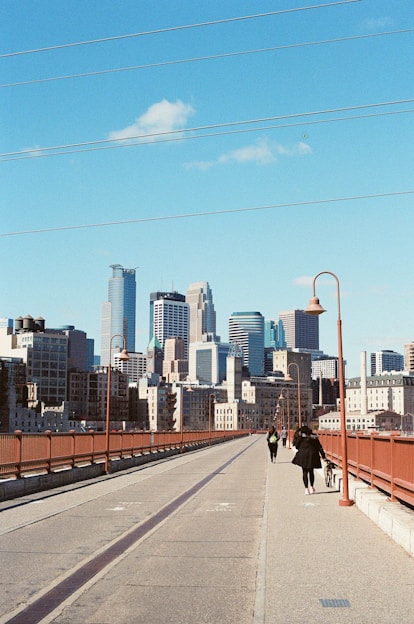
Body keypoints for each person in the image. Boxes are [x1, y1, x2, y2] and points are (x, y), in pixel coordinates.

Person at [292, 425, 326, 494]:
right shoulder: (314, 437)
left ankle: (306, 489)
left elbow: (297, 446)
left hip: (303, 456)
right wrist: (323, 456)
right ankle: (311, 487)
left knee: (304, 472)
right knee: (311, 472)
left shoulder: (301, 437)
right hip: (312, 455)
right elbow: (319, 447)